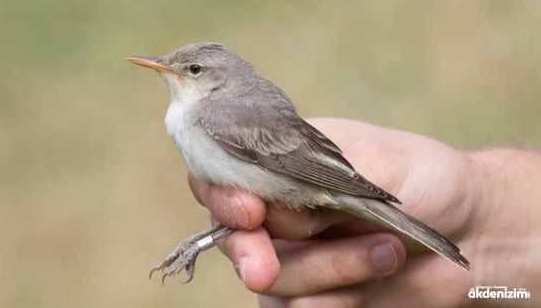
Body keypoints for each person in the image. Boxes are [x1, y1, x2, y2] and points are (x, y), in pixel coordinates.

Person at [188, 118, 540, 307]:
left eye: (193, 69)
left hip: (310, 181)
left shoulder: (217, 118)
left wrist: (483, 219)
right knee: (246, 216)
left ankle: (199, 243)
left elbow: (297, 163)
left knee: (248, 216)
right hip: (312, 182)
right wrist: (485, 221)